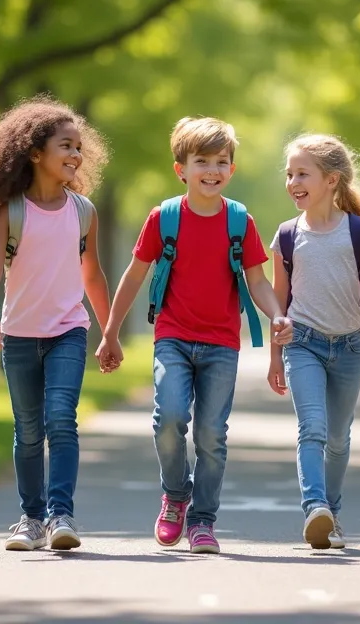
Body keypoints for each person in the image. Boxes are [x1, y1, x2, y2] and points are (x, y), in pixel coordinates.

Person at [97, 116, 293, 554]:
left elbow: (258, 282)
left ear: (232, 170)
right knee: (168, 420)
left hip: (222, 343)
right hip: (173, 336)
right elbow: (134, 276)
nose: (212, 170)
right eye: (201, 161)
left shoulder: (239, 221)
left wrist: (278, 314)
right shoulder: (164, 218)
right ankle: (175, 496)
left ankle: (203, 521)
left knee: (211, 436)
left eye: (221, 161)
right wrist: (110, 331)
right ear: (180, 168)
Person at [0, 94, 116, 552]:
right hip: (21, 336)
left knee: (61, 419)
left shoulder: (83, 211)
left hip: (69, 331)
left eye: (78, 147)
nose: (75, 154)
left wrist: (108, 333)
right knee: (28, 429)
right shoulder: (13, 212)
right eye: (66, 145)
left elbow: (93, 275)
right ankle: (30, 519)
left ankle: (60, 515)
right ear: (35, 153)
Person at [267, 134, 360, 550]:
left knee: (338, 437)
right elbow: (280, 302)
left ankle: (330, 512)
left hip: (350, 347)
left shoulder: (359, 232)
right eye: (289, 174)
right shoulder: (286, 235)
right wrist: (275, 357)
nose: (293, 181)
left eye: (302, 173)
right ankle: (315, 506)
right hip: (304, 343)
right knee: (311, 428)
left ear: (332, 180)